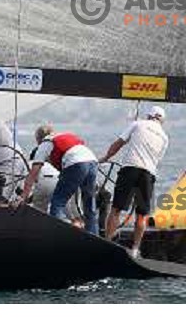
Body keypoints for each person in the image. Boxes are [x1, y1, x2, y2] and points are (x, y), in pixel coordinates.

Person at [101, 105, 169, 258]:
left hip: (130, 169)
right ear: (161, 120)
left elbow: (118, 144)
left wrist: (105, 158)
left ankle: (108, 243)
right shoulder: (165, 138)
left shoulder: (137, 124)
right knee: (142, 215)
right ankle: (135, 250)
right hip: (148, 174)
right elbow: (157, 160)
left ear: (148, 116)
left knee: (116, 209)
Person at [20, 124, 99, 235]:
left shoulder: (45, 144)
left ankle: (57, 238)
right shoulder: (62, 136)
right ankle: (94, 239)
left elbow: (33, 173)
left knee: (57, 203)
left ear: (38, 139)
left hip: (76, 163)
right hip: (92, 161)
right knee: (90, 206)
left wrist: (23, 197)